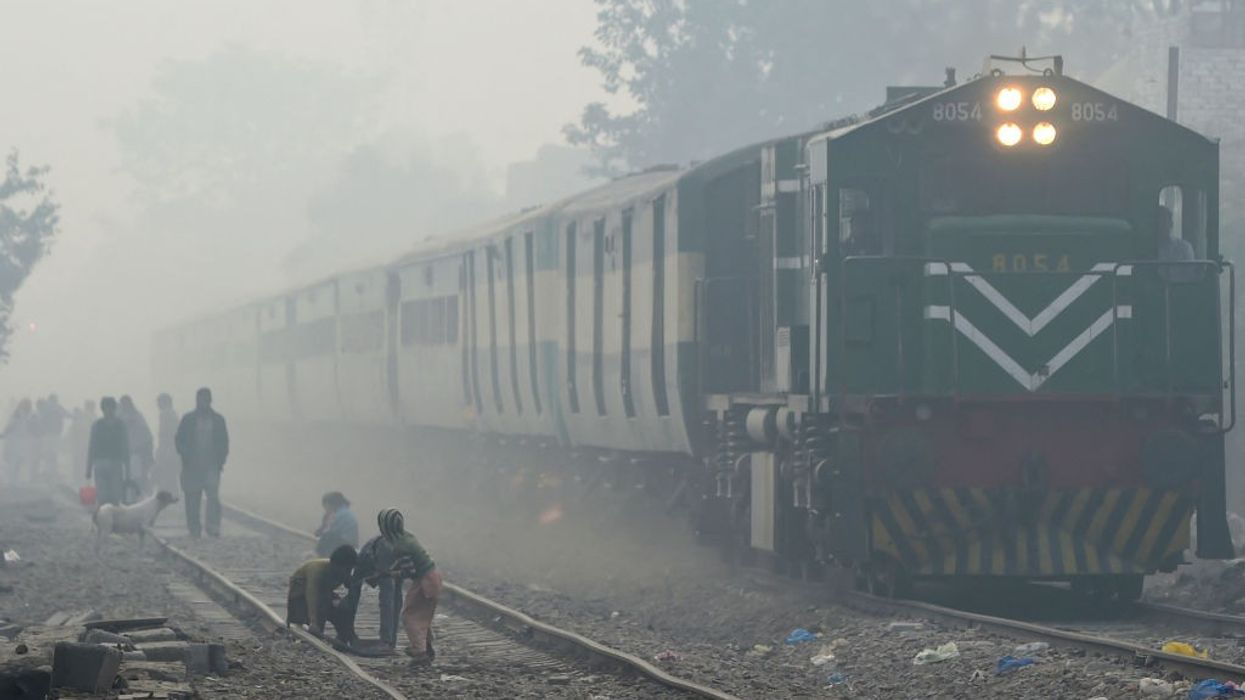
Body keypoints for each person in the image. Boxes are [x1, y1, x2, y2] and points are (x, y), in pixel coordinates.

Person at [377, 507, 441, 663]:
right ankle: (426, 645)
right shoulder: (406, 537)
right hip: (433, 576)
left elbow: (409, 571)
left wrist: (391, 574)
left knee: (410, 615)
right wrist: (393, 569)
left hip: (424, 581)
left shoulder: (400, 546)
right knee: (422, 615)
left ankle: (420, 651)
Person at [174, 387, 229, 538]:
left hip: (212, 465)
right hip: (191, 465)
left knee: (212, 497)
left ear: (210, 400)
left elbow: (224, 442)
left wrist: (221, 460)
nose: (204, 402)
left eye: (206, 399)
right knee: (192, 498)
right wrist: (184, 453)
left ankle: (212, 527)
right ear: (197, 400)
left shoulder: (218, 420)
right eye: (201, 399)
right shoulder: (188, 419)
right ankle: (194, 528)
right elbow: (178, 440)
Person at [340, 534, 403, 649]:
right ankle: (346, 633)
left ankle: (387, 640)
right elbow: (353, 593)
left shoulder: (390, 558)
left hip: (390, 560)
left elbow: (388, 601)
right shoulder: (364, 560)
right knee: (355, 593)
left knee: (390, 598)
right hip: (375, 557)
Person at [286, 544, 358, 643]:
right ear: (335, 565)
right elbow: (311, 595)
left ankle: (344, 638)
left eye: (350, 569)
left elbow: (352, 588)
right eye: (346, 569)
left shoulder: (345, 571)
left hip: (324, 594)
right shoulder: (317, 570)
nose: (347, 572)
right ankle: (315, 633)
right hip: (300, 596)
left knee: (341, 609)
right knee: (311, 617)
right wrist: (313, 622)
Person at [86, 397, 130, 507]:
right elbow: (92, 447)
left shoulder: (120, 425)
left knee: (115, 496)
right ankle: (105, 520)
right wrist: (88, 468)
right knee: (102, 497)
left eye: (111, 407)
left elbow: (125, 447)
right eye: (106, 407)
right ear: (103, 409)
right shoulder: (98, 425)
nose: (109, 410)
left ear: (114, 409)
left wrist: (128, 469)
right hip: (101, 463)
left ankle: (114, 520)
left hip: (115, 463)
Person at [118, 395, 154, 493]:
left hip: (137, 452)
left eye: (126, 403)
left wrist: (147, 451)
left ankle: (139, 496)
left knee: (138, 477)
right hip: (124, 453)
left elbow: (146, 435)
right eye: (123, 404)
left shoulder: (137, 416)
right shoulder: (119, 417)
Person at [315, 492, 359, 557]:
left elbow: (330, 533)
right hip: (346, 544)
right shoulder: (341, 512)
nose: (325, 509)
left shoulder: (341, 515)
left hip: (347, 546)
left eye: (325, 506)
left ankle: (316, 555)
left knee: (327, 536)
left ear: (331, 504)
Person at [153, 393, 180, 494]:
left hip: (168, 449)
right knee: (171, 475)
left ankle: (170, 496)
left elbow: (165, 435)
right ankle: (174, 495)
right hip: (174, 449)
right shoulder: (174, 414)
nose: (158, 405)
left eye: (159, 402)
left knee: (167, 474)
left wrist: (162, 450)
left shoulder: (165, 414)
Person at [2, 399, 33, 484]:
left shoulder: (25, 415)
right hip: (15, 442)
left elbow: (11, 426)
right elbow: (11, 425)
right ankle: (12, 482)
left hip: (19, 442)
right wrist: (4, 434)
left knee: (17, 462)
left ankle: (13, 481)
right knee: (14, 462)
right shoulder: (18, 414)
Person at [39, 394, 67, 477]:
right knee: (54, 453)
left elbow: (40, 418)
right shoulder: (58, 407)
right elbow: (67, 414)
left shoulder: (45, 407)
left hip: (46, 434)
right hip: (55, 434)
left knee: (47, 453)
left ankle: (47, 471)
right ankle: (53, 471)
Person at [70, 400, 98, 481]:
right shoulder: (90, 416)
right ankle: (81, 478)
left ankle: (78, 478)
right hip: (85, 443)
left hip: (81, 443)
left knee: (79, 461)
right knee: (83, 461)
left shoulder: (86, 416)